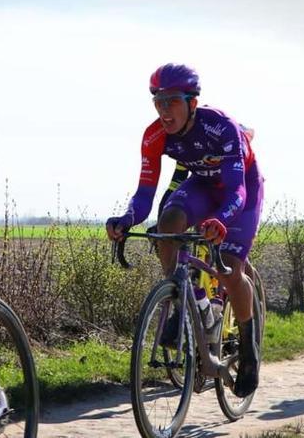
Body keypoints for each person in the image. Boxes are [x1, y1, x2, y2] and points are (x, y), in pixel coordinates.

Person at [105, 63, 263, 398]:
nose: (163, 110)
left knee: (231, 272)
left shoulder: (221, 127)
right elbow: (145, 194)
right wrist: (127, 219)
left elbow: (238, 190)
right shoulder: (153, 136)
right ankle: (185, 299)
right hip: (202, 186)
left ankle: (250, 353)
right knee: (169, 221)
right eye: (157, 101)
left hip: (240, 192)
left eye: (171, 101)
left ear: (192, 102)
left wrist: (221, 219)